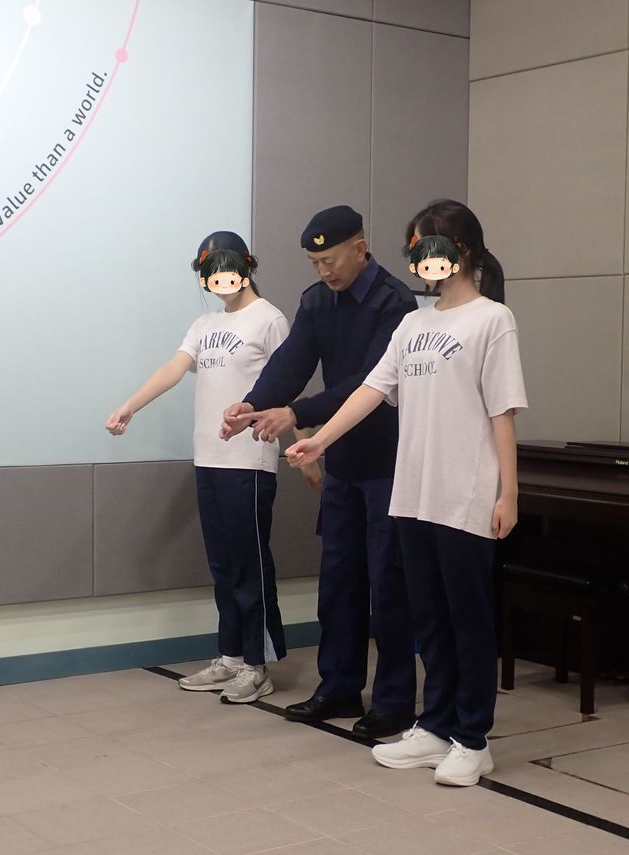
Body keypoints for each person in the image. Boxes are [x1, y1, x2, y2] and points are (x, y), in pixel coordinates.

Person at [286, 199, 528, 785]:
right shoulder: (414, 323)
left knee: (467, 619)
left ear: (460, 252)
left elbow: (503, 413)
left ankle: (473, 738)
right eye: (413, 249)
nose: (420, 259)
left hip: (465, 495)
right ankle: (436, 725)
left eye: (428, 247)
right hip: (412, 494)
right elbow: (371, 390)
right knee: (429, 617)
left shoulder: (492, 320)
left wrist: (508, 494)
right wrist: (319, 441)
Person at [221, 205, 419, 739]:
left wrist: (297, 413)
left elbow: (369, 381)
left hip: (389, 464)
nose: (323, 270)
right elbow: (291, 362)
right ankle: (339, 688)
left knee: (388, 584)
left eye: (330, 260)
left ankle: (395, 700)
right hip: (342, 462)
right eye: (314, 263)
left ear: (361, 247)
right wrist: (252, 404)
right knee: (338, 581)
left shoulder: (395, 301)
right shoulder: (316, 301)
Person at [107, 231, 321, 704]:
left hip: (250, 461)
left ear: (246, 266)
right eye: (210, 272)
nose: (219, 279)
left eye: (226, 268)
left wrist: (304, 449)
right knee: (223, 565)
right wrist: (129, 406)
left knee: (249, 564)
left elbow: (287, 385)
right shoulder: (204, 324)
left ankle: (256, 665)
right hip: (209, 459)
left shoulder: (270, 319)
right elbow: (173, 368)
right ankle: (230, 656)